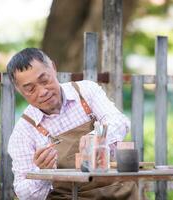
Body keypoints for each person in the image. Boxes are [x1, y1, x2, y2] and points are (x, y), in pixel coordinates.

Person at [7, 48, 137, 199]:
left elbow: (119, 122)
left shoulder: (86, 91)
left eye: (44, 80)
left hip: (118, 191)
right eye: (30, 89)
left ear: (53, 69)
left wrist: (97, 136)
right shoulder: (24, 132)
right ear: (20, 91)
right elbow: (24, 194)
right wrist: (41, 173)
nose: (42, 92)